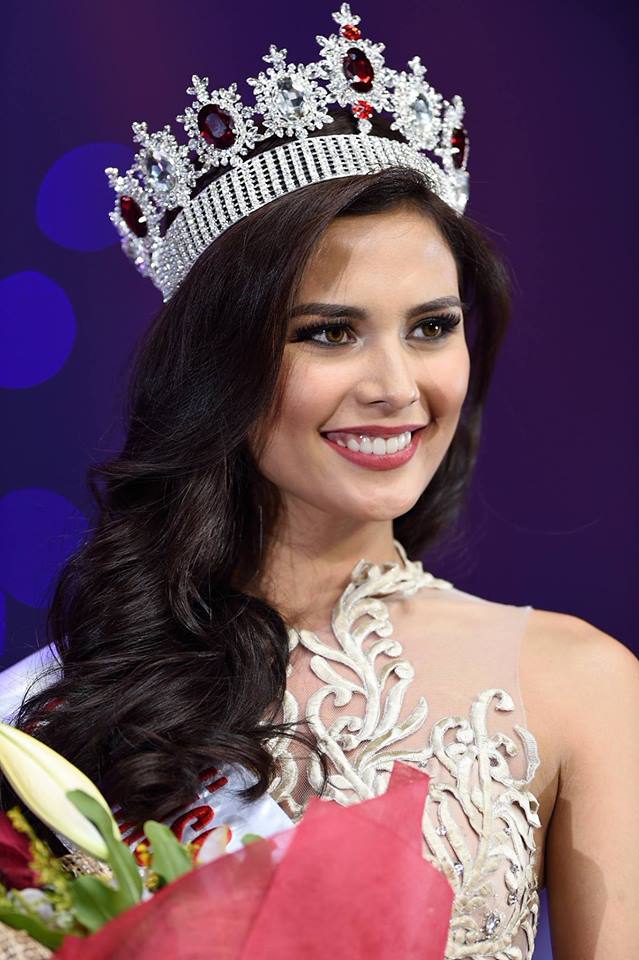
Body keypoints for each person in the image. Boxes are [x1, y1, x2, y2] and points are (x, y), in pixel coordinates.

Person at [1, 7, 638, 958]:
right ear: (218, 365)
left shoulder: (577, 684)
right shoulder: (58, 710)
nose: (396, 387)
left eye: (430, 327)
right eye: (328, 333)